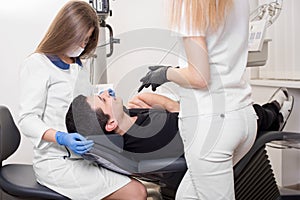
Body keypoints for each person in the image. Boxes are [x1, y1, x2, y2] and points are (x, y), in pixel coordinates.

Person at [137, 1, 271, 198]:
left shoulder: (190, 4)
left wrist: (166, 74)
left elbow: (199, 77)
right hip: (243, 117)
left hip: (211, 127)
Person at [18, 1, 147, 199]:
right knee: (135, 192)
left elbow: (84, 105)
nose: (82, 46)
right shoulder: (38, 64)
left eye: (86, 41)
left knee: (138, 183)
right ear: (64, 32)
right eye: (80, 39)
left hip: (85, 156)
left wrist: (108, 101)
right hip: (57, 162)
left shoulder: (78, 66)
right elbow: (27, 118)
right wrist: (61, 137)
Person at [65, 88, 293, 159]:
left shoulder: (131, 125)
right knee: (245, 110)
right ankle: (275, 115)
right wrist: (168, 103)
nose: (107, 92)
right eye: (104, 99)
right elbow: (190, 116)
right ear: (111, 123)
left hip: (197, 119)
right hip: (224, 127)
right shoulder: (152, 135)